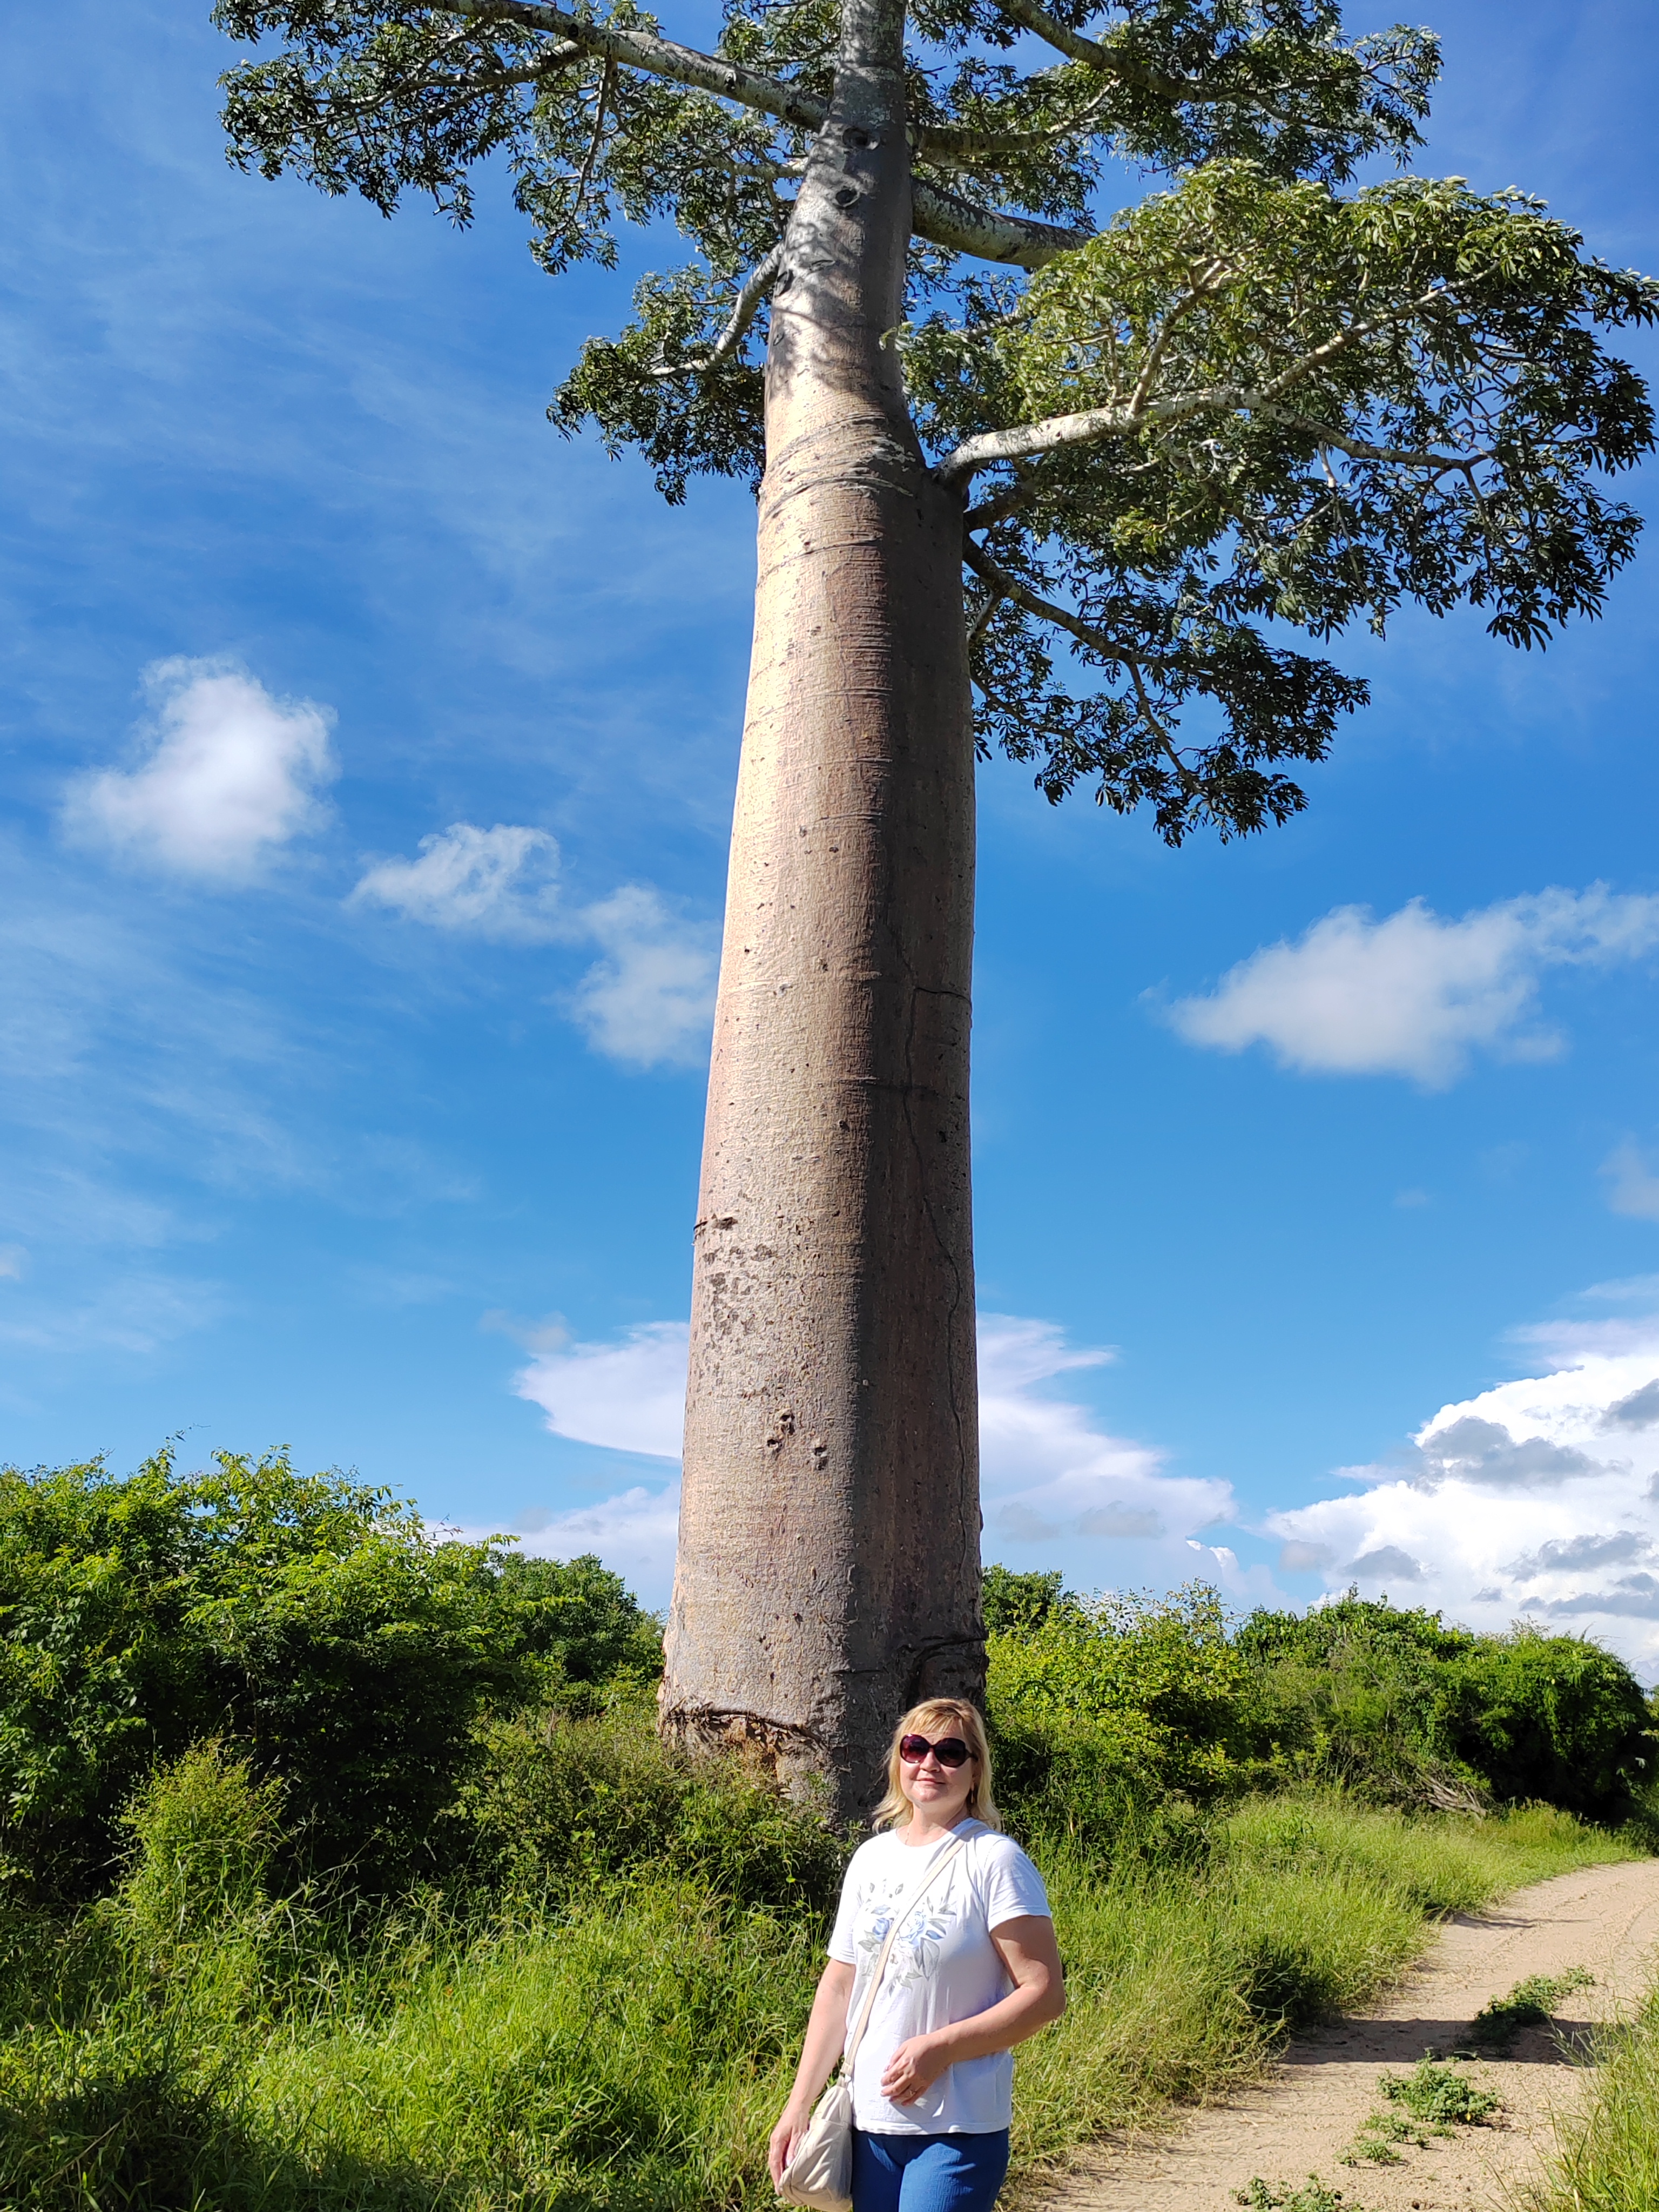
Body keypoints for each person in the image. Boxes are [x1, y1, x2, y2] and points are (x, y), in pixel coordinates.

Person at [768, 1697, 1065, 2212]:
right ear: (899, 1761)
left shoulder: (995, 1860)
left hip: (957, 2129)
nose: (930, 1763)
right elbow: (840, 1989)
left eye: (951, 1752)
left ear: (975, 1773)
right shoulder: (871, 1858)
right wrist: (799, 2105)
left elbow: (1044, 1995)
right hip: (869, 2127)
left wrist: (942, 2048)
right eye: (916, 1748)